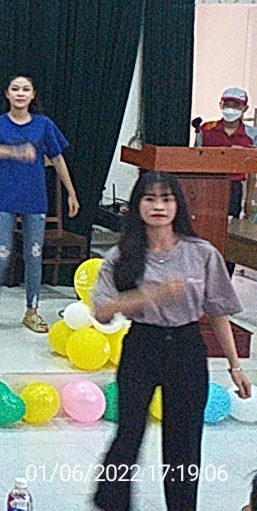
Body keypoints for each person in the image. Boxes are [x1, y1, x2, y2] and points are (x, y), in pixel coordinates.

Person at [90, 172, 251, 511]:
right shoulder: (122, 256)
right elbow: (102, 312)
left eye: (166, 199)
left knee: (184, 443)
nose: (159, 206)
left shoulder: (201, 253)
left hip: (186, 347)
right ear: (137, 206)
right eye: (150, 199)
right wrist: (148, 295)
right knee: (128, 434)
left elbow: (218, 311)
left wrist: (235, 366)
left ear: (178, 205)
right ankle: (112, 504)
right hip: (142, 345)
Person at [0, 74, 79, 332]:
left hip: (35, 201)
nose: (20, 93)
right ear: (7, 94)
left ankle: (32, 311)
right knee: (0, 254)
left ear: (33, 95)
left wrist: (71, 192)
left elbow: (58, 158)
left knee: (34, 256)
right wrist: (14, 151)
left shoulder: (43, 125)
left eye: (25, 89)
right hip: (2, 199)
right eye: (15, 89)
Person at [193, 86, 256, 220]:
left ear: (245, 108)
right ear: (220, 105)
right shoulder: (206, 129)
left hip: (234, 187)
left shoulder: (252, 135)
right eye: (226, 104)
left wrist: (249, 199)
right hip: (207, 185)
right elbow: (195, 160)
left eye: (236, 105)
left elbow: (252, 170)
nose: (230, 109)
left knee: (230, 224)